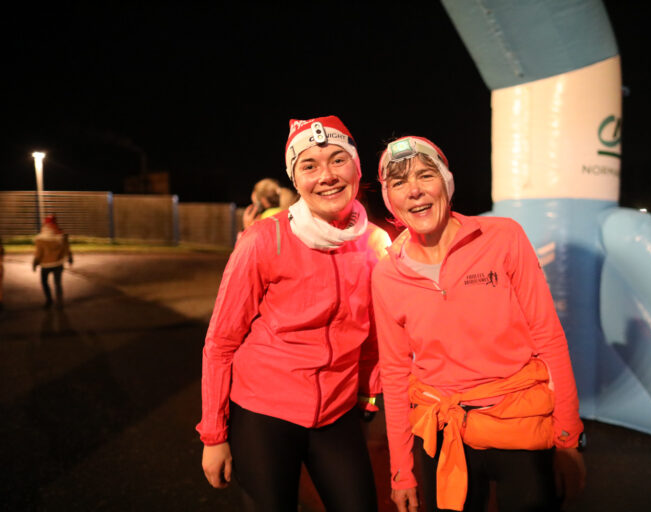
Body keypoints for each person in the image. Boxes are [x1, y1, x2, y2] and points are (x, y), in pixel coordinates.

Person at [371, 136, 586, 512]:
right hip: (442, 433)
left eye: (425, 175)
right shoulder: (387, 274)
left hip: (520, 425)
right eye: (399, 182)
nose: (415, 190)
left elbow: (548, 336)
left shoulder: (503, 237)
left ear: (446, 183)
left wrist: (568, 437)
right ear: (390, 199)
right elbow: (394, 372)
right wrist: (401, 471)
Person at [197, 115, 391, 511]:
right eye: (309, 165)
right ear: (296, 179)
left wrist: (369, 393)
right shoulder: (264, 239)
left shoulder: (375, 242)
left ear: (357, 169)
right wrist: (214, 435)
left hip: (337, 411)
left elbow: (374, 331)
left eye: (338, 160)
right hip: (263, 412)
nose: (327, 176)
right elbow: (221, 341)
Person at [33, 215, 73, 308]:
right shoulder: (62, 235)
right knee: (58, 284)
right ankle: (59, 302)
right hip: (58, 264)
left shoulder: (40, 238)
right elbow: (67, 248)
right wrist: (70, 258)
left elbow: (39, 253)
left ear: (45, 224)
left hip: (45, 265)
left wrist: (35, 263)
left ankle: (49, 300)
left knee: (44, 282)